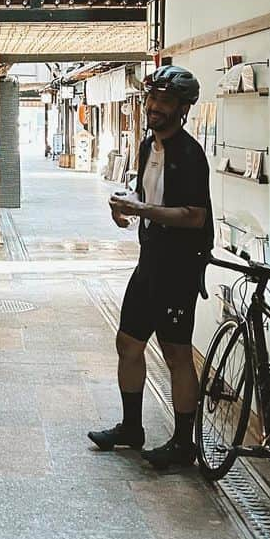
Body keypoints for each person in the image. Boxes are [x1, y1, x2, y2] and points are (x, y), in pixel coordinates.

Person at [88, 65, 212, 469]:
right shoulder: (146, 146)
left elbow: (195, 216)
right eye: (151, 99)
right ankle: (131, 427)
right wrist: (126, 211)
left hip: (179, 267)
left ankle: (183, 443)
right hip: (150, 261)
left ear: (182, 108)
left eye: (164, 101)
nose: (154, 107)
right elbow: (147, 197)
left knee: (176, 354)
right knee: (128, 343)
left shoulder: (190, 154)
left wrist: (143, 209)